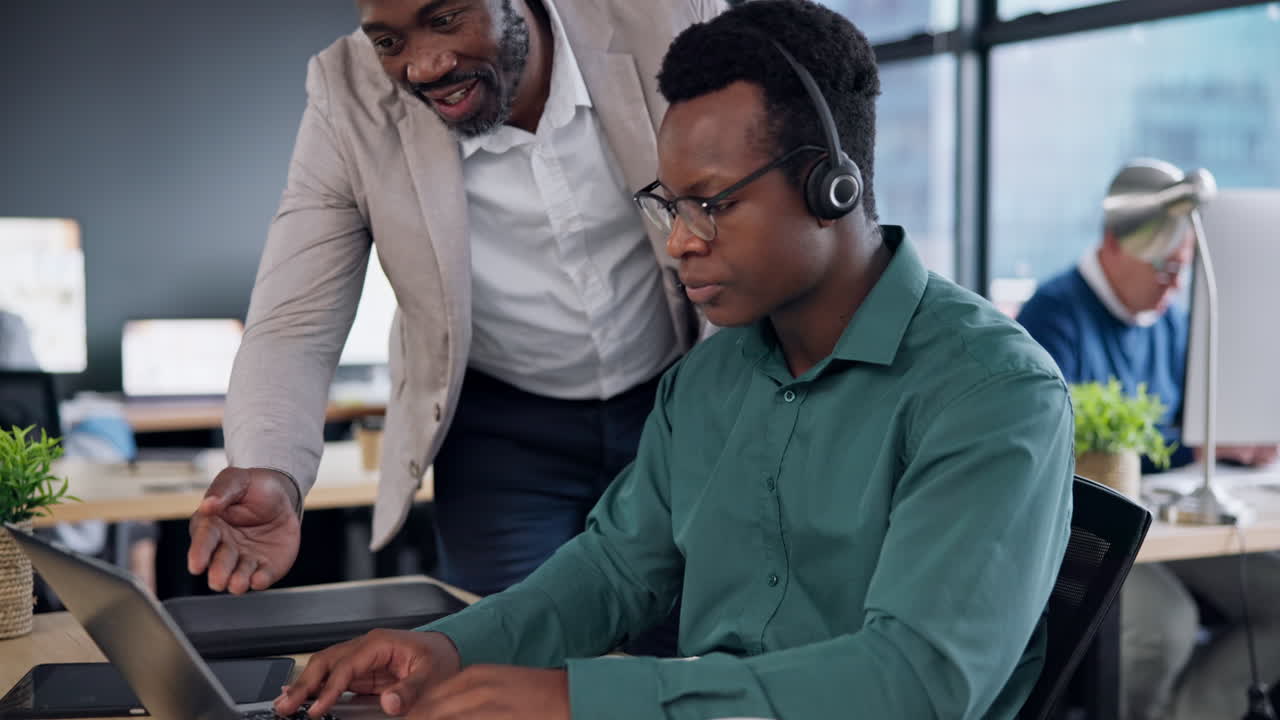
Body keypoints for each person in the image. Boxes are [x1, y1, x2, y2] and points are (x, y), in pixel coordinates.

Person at [274, 3, 1076, 718]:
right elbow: (616, 570)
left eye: (714, 204)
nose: (680, 240)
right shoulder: (707, 379)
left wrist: (577, 699)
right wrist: (450, 648)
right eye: (671, 203)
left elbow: (913, 684)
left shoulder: (991, 394)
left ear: (833, 186)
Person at [186, 0, 724, 606]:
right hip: (502, 433)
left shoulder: (665, 19)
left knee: (673, 646)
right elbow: (295, 321)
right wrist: (269, 468)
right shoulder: (349, 95)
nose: (423, 66)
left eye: (445, 20)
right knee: (506, 666)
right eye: (389, 42)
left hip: (677, 397)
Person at [1017, 160, 1280, 720]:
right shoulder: (1054, 316)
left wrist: (1221, 446)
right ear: (1115, 242)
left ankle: (1193, 710)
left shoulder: (1170, 323)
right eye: (1165, 266)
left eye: (1183, 268)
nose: (1175, 285)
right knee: (1163, 626)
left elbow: (1177, 434)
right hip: (1092, 529)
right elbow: (1059, 450)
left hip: (1168, 523)